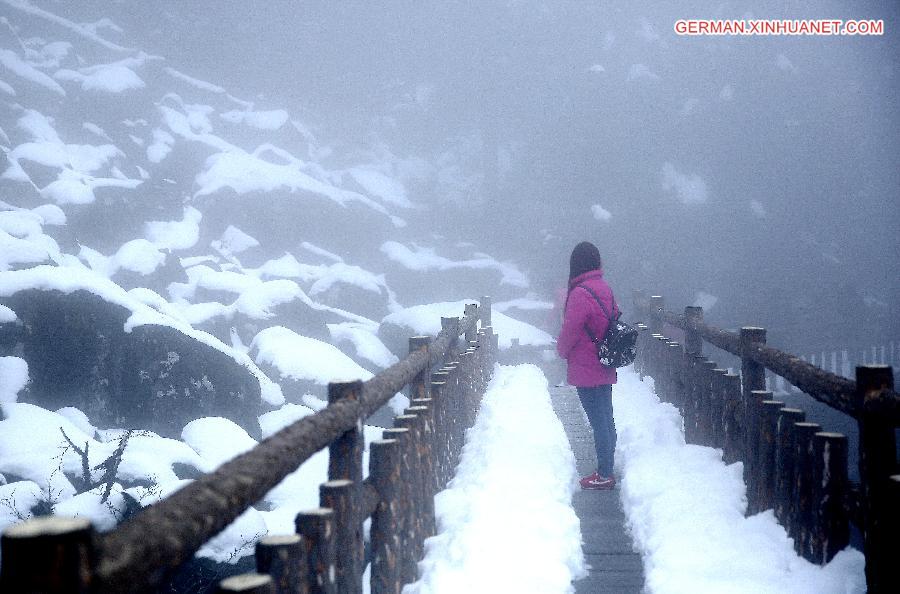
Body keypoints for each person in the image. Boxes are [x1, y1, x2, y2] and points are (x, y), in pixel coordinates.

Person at [556, 241, 619, 490]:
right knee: (606, 417)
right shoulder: (604, 288)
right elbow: (614, 316)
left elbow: (571, 329)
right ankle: (607, 467)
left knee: (598, 421)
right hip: (605, 361)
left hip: (586, 366)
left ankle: (604, 474)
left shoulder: (580, 293)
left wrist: (561, 350)